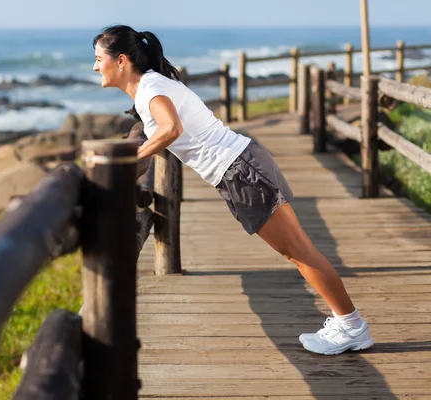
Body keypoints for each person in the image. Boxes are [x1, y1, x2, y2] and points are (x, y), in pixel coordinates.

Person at [92, 25, 373, 355]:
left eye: (99, 59)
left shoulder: (150, 87)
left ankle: (351, 326)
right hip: (242, 166)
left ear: (121, 60)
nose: (96, 66)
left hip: (242, 170)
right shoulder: (151, 86)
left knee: (299, 251)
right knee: (298, 250)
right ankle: (348, 323)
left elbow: (171, 128)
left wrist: (128, 160)